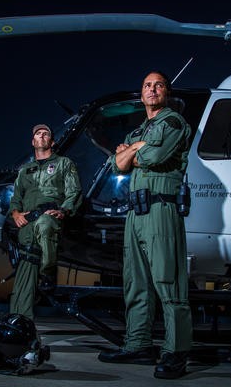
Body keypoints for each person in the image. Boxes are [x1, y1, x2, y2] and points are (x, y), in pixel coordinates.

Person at [98, 71, 193, 379]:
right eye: (147, 85)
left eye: (158, 85)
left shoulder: (174, 122)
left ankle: (175, 351)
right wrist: (134, 148)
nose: (152, 89)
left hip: (161, 210)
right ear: (141, 94)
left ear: (167, 92)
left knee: (169, 281)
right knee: (135, 283)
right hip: (135, 214)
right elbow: (117, 166)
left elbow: (154, 156)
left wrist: (133, 149)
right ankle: (138, 343)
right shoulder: (140, 128)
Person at [9, 124, 82, 320]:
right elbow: (16, 198)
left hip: (50, 217)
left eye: (46, 133)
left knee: (44, 224)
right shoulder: (25, 170)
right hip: (27, 222)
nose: (41, 136)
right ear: (33, 142)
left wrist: (64, 210)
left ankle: (48, 272)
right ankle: (19, 321)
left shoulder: (63, 163)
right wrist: (16, 214)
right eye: (37, 134)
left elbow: (74, 191)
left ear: (52, 141)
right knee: (24, 274)